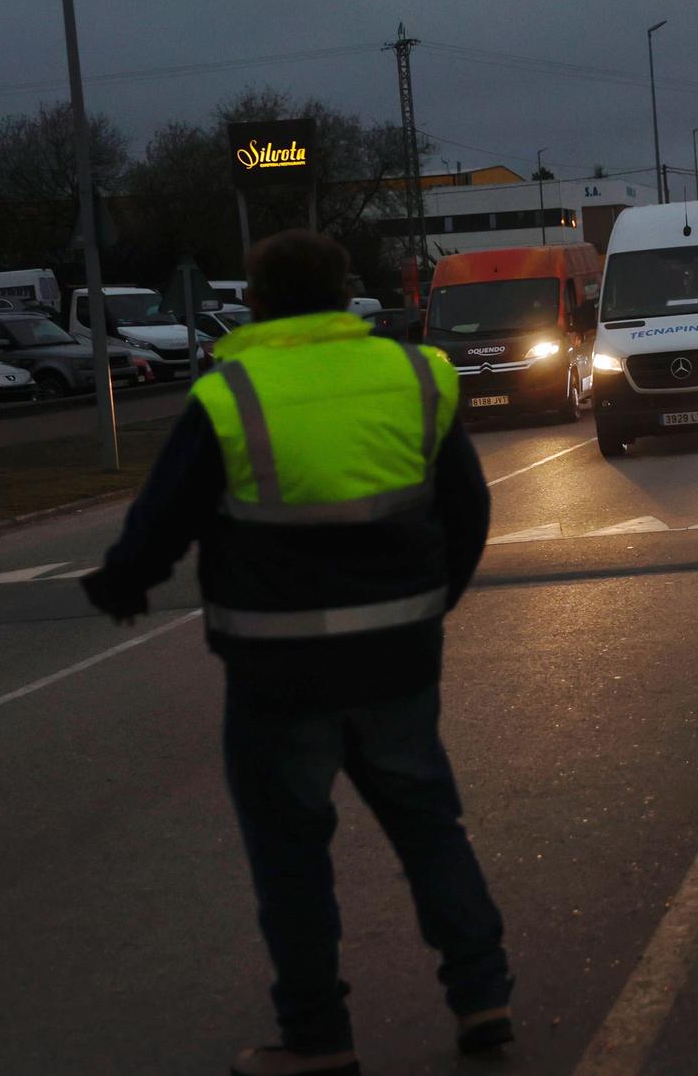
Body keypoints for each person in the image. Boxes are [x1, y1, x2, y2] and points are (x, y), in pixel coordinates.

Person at [81, 230, 513, 1076]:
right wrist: (428, 605)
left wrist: (123, 584)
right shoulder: (414, 373)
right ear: (348, 292)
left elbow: (164, 517)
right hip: (397, 658)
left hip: (279, 677)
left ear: (257, 302)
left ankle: (316, 1037)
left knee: (291, 855)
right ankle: (482, 993)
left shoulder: (230, 391)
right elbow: (467, 509)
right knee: (430, 828)